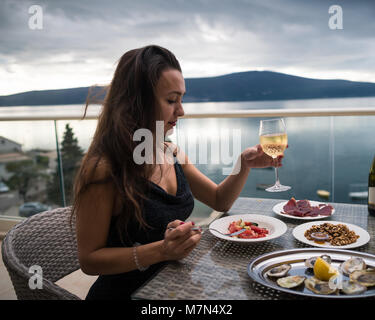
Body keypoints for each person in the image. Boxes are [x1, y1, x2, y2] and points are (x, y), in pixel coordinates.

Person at [72, 45, 283, 300]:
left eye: (181, 99)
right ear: (135, 103)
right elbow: (90, 260)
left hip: (173, 286)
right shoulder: (104, 170)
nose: (181, 110)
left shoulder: (170, 151)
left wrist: (243, 164)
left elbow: (219, 200)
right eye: (171, 100)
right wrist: (162, 250)